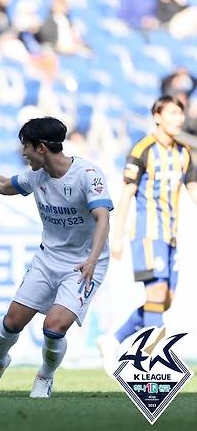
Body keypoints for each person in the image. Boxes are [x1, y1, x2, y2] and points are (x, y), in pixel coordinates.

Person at [0, 117, 112, 398]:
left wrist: (91, 259)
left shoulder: (88, 174)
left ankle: (45, 376)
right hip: (48, 258)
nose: (23, 153)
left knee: (53, 327)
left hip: (84, 264)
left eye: (25, 147)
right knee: (11, 323)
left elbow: (102, 218)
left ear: (40, 148)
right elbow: (4, 184)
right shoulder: (37, 176)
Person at [98, 96, 197, 367]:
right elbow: (127, 194)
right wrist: (116, 237)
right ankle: (154, 361)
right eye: (173, 113)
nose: (179, 119)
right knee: (156, 294)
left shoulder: (183, 153)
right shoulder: (142, 149)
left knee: (164, 300)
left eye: (181, 114)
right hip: (147, 234)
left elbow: (193, 191)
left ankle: (114, 340)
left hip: (171, 236)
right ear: (157, 116)